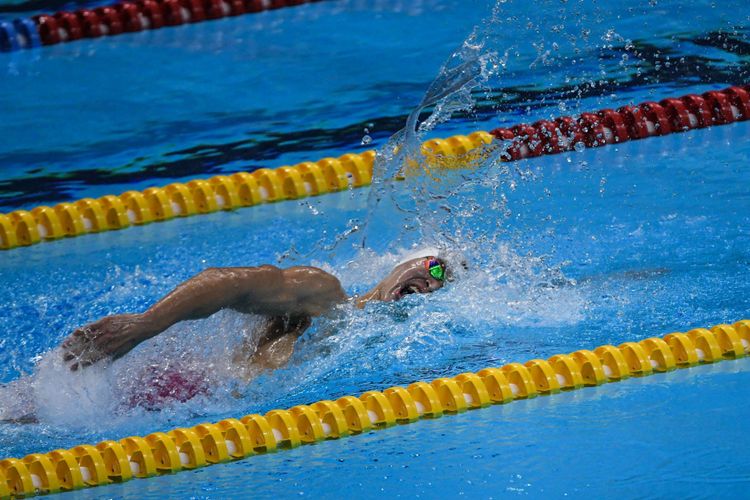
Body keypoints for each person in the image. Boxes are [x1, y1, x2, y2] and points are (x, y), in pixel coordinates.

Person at [60, 251, 448, 374]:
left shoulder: (373, 347)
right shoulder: (324, 294)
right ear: (401, 263)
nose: (431, 283)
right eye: (434, 267)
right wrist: (146, 324)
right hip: (158, 385)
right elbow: (228, 282)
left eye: (440, 286)